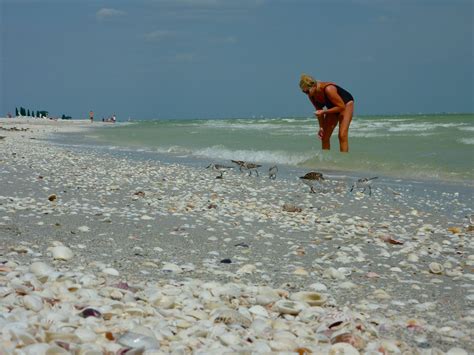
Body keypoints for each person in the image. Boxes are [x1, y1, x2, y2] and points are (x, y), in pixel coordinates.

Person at [299, 74, 354, 152]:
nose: (307, 94)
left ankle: (344, 160)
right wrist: (321, 127)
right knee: (324, 136)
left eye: (307, 91)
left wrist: (324, 111)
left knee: (342, 135)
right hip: (333, 108)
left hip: (345, 105)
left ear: (314, 86)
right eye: (304, 92)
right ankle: (326, 161)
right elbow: (319, 111)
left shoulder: (328, 89)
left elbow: (341, 107)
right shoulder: (311, 95)